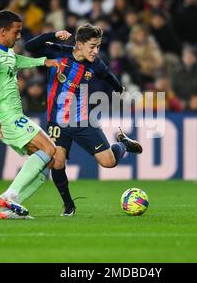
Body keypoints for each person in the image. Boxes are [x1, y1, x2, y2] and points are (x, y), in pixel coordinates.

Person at [25, 23, 143, 216]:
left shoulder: (95, 63)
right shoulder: (57, 53)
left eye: (98, 46)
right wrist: (54, 34)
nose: (96, 51)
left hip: (82, 121)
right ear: (79, 44)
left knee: (108, 163)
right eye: (92, 46)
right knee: (57, 162)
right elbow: (30, 46)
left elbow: (107, 75)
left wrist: (119, 89)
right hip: (57, 122)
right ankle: (69, 205)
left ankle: (123, 145)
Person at [0, 10, 60, 220]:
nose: (20, 36)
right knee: (50, 148)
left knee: (50, 160)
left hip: (14, 115)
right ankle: (10, 195)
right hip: (6, 117)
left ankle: (9, 208)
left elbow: (16, 61)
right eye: (17, 32)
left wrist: (43, 62)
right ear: (3, 31)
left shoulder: (6, 50)